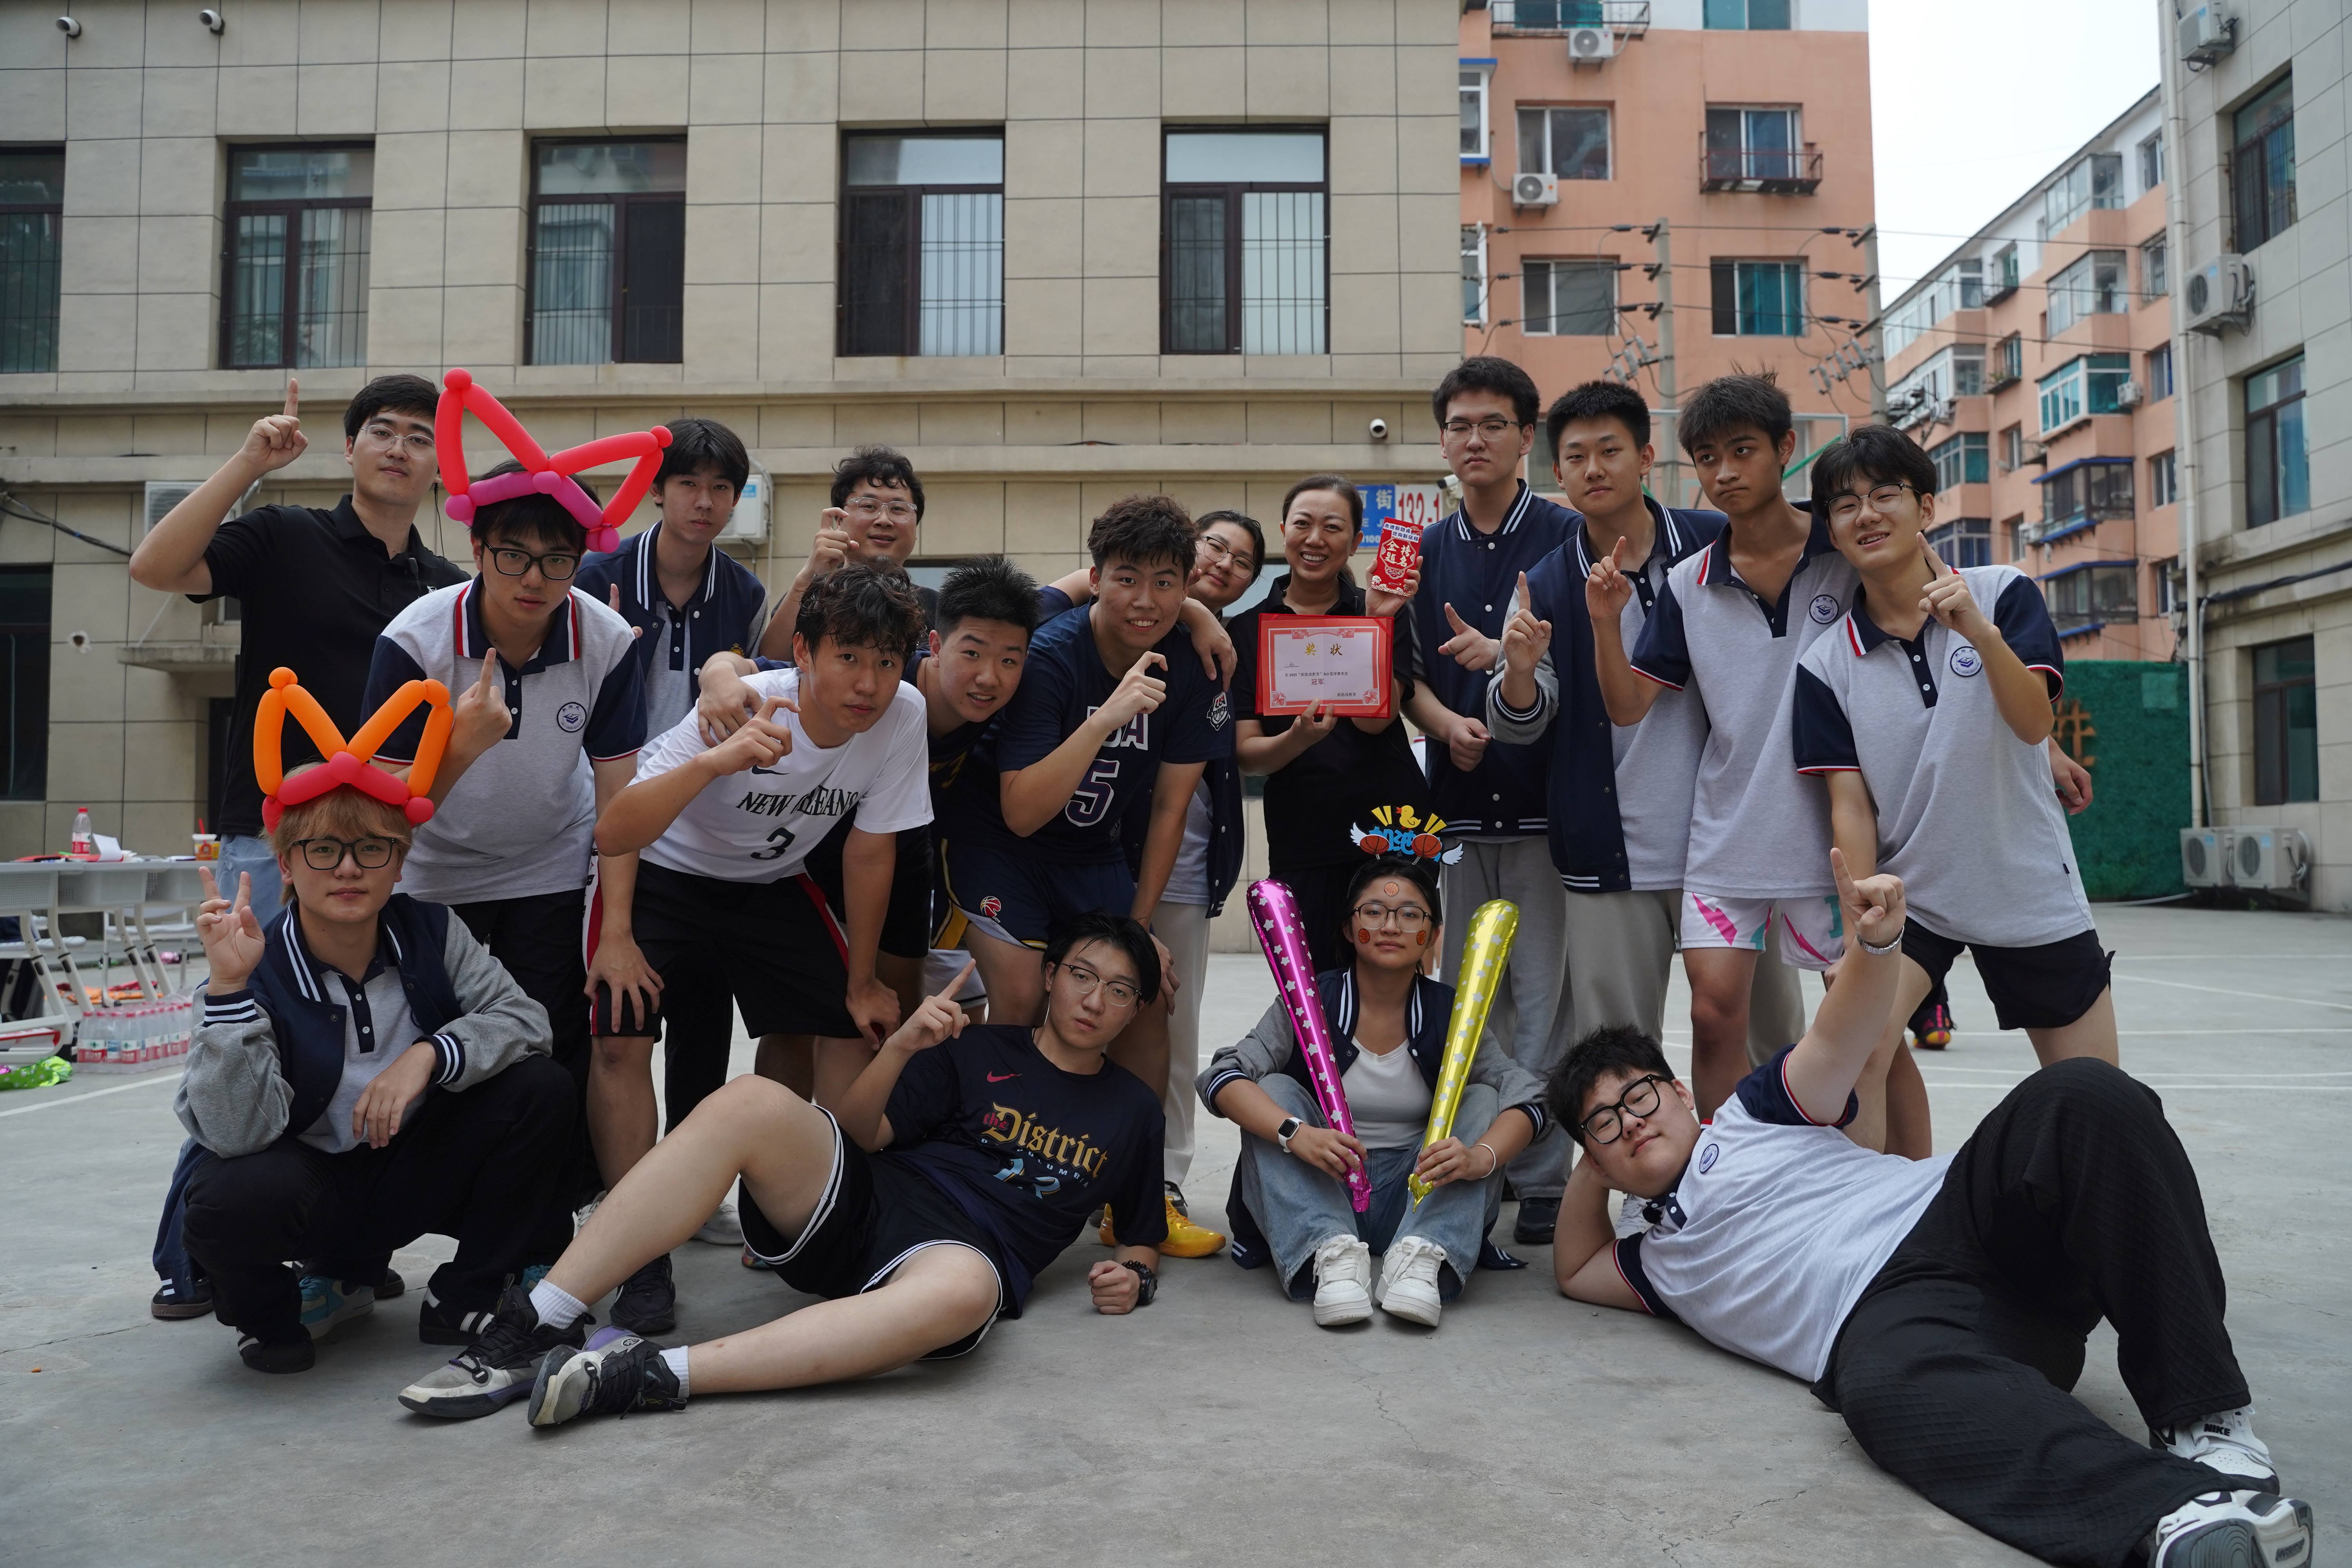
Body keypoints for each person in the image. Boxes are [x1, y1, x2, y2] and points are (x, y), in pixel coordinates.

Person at [1548, 851, 2314, 1568]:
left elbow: (1838, 1039)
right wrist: (1594, 1161)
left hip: (1960, 1217)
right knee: (1877, 1388)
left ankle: (2204, 1417)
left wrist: (1877, 948)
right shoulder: (1651, 1258)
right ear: (1598, 1159)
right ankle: (2179, 1519)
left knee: (2082, 1092)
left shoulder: (1753, 1114)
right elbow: (1574, 1267)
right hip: (1897, 1323)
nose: (1632, 1122)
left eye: (1639, 1095)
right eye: (1606, 1122)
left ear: (1680, 1090)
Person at [448, 914, 1169, 1428]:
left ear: (1136, 1009)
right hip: (869, 1201)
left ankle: (649, 1374)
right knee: (752, 1100)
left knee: (966, 1293)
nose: (1093, 1000)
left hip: (965, 1252)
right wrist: (901, 1049)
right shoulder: (979, 1049)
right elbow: (857, 1135)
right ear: (1050, 976)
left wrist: (1135, 1277)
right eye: (1082, 975)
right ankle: (540, 1319)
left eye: (1118, 990)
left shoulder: (1133, 1111)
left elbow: (1141, 1233)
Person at [128, 373, 468, 1320]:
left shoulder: (445, 588)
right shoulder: (285, 538)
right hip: (276, 838)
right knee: (245, 1029)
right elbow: (155, 567)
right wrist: (249, 462)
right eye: (382, 431)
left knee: (356, 1043)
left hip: (389, 848)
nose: (399, 448)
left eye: (419, 436)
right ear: (350, 448)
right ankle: (190, 1255)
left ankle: (343, 1247)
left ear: (439, 464)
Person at [586, 563, 932, 1330]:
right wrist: (616, 936)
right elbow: (616, 830)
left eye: (886, 661)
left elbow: (870, 850)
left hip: (769, 880)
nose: (868, 683)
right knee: (619, 1037)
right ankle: (639, 1253)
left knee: (839, 1023)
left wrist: (863, 979)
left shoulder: (903, 715)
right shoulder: (742, 705)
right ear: (803, 653)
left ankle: (784, 1208)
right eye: (848, 656)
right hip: (662, 874)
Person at [176, 751, 571, 1388]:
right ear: (287, 864)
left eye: (372, 848)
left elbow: (527, 1023)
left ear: (401, 861)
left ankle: (465, 1294)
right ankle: (277, 1317)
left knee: (540, 1089)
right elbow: (234, 1134)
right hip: (312, 1192)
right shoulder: (253, 965)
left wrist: (429, 1055)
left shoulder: (432, 931)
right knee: (231, 1193)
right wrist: (228, 990)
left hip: (415, 1171)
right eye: (323, 850)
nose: (349, 869)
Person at [361, 458, 649, 1296]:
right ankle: (359, 1248)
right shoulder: (414, 642)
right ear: (478, 547)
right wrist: (458, 748)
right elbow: (380, 818)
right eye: (513, 554)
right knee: (411, 1056)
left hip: (547, 871)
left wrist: (617, 931)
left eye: (557, 560)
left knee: (545, 1061)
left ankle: (532, 1243)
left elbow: (620, 802)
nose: (534, 579)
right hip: (428, 876)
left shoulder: (606, 640)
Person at [1794, 425, 2116, 1156]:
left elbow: (2034, 725)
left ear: (1926, 507)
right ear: (1832, 532)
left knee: (2096, 1099)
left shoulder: (2003, 593)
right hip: (1917, 899)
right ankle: (1883, 1222)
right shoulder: (1824, 665)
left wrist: (1978, 630)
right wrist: (1860, 929)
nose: (1866, 515)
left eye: (1885, 495)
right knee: (1855, 1060)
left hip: (2027, 885)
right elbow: (1850, 804)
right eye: (1845, 505)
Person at [1483, 380, 1807, 1082]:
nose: (1594, 469)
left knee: (1771, 1037)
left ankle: (1779, 1153)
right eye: (1576, 457)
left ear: (1646, 457)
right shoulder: (1546, 583)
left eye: (1610, 451)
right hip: (1611, 850)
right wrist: (1518, 673)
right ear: (1557, 472)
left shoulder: (1718, 540)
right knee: (1620, 1055)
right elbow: (1520, 721)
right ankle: (1648, 1162)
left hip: (1739, 839)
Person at [1588, 372, 1861, 1123]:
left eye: (1743, 451)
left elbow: (1935, 639)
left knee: (1860, 1028)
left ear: (1786, 448)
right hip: (1727, 834)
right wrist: (1606, 622)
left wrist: (2043, 751)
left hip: (1837, 836)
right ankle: (1726, 1174)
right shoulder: (1689, 584)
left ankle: (1859, 1173)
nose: (1725, 473)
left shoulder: (1848, 553)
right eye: (1707, 459)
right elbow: (1628, 704)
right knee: (1713, 1017)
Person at [940, 495, 1235, 1183]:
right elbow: (1020, 812)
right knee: (1020, 996)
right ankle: (991, 1169)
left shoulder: (1193, 664)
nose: (1146, 600)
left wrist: (1138, 930)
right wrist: (1106, 719)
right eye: (1127, 579)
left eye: (1166, 583)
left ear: (1187, 589)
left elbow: (1170, 807)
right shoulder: (1050, 654)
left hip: (1092, 851)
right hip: (999, 847)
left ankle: (1142, 1188)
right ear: (1096, 578)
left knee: (1143, 995)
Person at [572, 416, 770, 1249]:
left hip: (704, 828)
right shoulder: (597, 576)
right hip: (608, 815)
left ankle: (690, 1198)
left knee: (702, 1020)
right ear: (658, 491)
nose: (704, 501)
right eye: (688, 484)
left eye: (722, 488)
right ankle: (612, 1196)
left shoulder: (744, 593)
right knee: (613, 1025)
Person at [1201, 854, 1548, 1329]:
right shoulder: (1312, 1001)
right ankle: (1330, 1253)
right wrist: (1296, 1134)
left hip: (1418, 1196)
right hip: (1323, 1189)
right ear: (1349, 928)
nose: (1391, 926)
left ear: (1433, 934)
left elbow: (1527, 1096)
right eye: (1374, 911)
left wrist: (1479, 1158)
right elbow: (1223, 1077)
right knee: (1273, 1088)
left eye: (1410, 914)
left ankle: (1422, 1256)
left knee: (1483, 1098)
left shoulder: (1450, 1012)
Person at [1404, 356, 1577, 1245]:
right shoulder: (1424, 549)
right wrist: (1445, 722)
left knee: (1545, 1000)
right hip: (1459, 808)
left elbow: (1581, 666)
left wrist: (1509, 669)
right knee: (1470, 999)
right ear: (1443, 441)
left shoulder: (1565, 534)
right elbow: (1407, 675)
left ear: (1525, 438)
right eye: (1460, 425)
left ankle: (1543, 1177)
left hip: (1548, 808)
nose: (1475, 440)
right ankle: (1485, 1157)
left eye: (1493, 424)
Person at [1127, 509, 1263, 1248]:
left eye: (1243, 562)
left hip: (1185, 861)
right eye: (1215, 546)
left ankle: (1165, 1179)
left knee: (1172, 1027)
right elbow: (1067, 588)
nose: (1224, 564)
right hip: (1089, 855)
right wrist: (1190, 609)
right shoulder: (1126, 612)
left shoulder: (1232, 651)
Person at [1230, 478, 1431, 975]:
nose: (1315, 538)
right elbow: (1248, 753)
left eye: (1333, 527)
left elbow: (1375, 722)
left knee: (1395, 980)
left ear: (1357, 539)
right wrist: (1297, 739)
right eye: (1303, 524)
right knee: (1314, 986)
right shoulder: (1248, 628)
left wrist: (1376, 622)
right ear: (1284, 531)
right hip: (1304, 831)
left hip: (1391, 827)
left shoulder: (1384, 608)